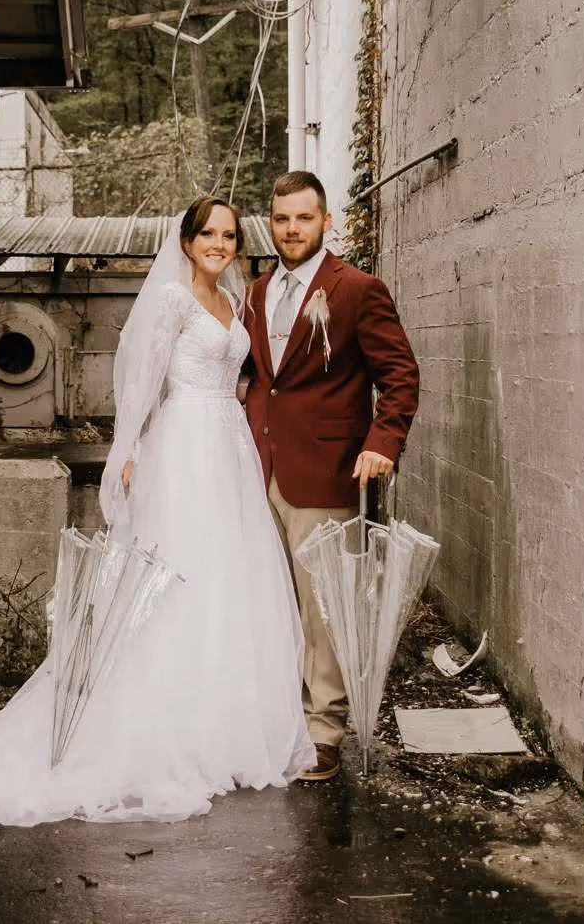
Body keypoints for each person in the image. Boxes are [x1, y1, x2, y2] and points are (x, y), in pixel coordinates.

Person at [0, 197, 315, 828]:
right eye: (207, 234)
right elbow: (142, 379)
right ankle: (162, 728)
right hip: (185, 447)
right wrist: (128, 448)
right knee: (178, 573)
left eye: (228, 235)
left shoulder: (234, 302)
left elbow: (237, 375)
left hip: (229, 447)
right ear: (185, 242)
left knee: (230, 578)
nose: (219, 243)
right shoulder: (170, 301)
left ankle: (225, 724)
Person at [242, 171, 420, 781]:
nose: (292, 229)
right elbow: (256, 375)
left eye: (304, 218)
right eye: (282, 218)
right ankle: (276, 719)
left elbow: (400, 376)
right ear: (271, 221)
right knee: (271, 603)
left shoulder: (358, 289)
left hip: (324, 471)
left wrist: (382, 444)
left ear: (326, 221)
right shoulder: (256, 291)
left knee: (323, 608)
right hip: (256, 467)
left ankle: (324, 731)